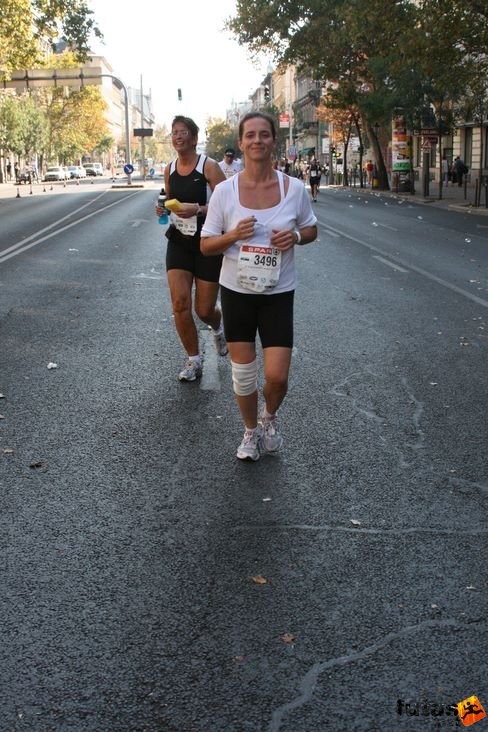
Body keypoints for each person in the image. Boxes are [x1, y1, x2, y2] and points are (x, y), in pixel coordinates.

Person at [200, 112, 318, 461]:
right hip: (237, 293)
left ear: (273, 141)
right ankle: (251, 430)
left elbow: (312, 229)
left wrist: (295, 235)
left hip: (278, 293)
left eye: (263, 134)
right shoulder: (224, 192)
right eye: (250, 135)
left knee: (277, 377)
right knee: (244, 375)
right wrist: (233, 235)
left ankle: (269, 418)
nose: (256, 140)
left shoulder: (293, 190)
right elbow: (206, 245)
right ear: (241, 143)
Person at [155, 115, 227, 382]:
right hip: (179, 241)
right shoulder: (170, 168)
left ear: (194, 138)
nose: (178, 136)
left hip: (207, 243)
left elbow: (226, 207)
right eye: (174, 132)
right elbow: (169, 199)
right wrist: (162, 207)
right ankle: (193, 360)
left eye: (183, 132)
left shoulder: (209, 167)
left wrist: (197, 209)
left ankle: (218, 328)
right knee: (179, 303)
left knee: (204, 310)